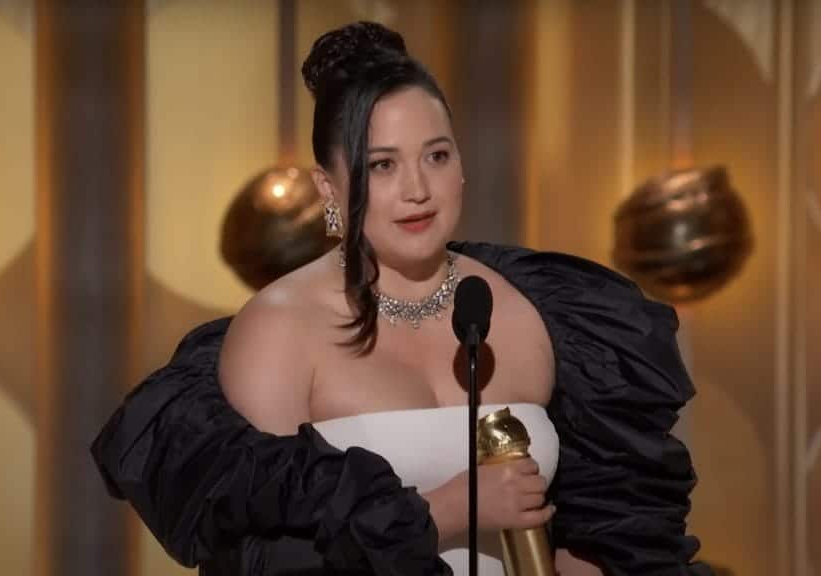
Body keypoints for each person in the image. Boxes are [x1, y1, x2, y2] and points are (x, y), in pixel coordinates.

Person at [92, 21, 711, 576]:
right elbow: (263, 556)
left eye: (436, 156)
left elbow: (608, 519)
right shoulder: (279, 331)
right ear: (329, 186)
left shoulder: (534, 310)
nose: (417, 189)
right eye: (381, 165)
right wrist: (444, 512)